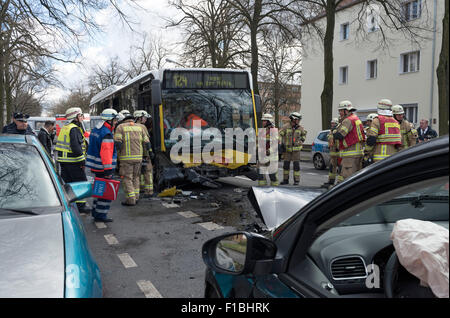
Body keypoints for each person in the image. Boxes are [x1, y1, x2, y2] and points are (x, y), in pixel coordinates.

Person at [55, 107, 90, 214]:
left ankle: (70, 203)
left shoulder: (66, 127)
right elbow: (76, 148)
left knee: (68, 183)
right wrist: (82, 162)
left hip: (64, 162)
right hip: (73, 162)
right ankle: (81, 206)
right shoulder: (74, 129)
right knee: (80, 183)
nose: (82, 117)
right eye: (80, 115)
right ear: (75, 117)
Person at [86, 109, 119, 223]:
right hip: (104, 168)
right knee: (105, 194)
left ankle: (96, 212)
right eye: (114, 120)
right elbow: (106, 154)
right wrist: (108, 171)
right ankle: (101, 215)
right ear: (109, 120)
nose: (116, 122)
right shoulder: (106, 133)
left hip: (96, 167)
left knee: (99, 191)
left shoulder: (96, 129)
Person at [114, 112, 151, 206]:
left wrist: (116, 156)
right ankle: (136, 197)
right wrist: (148, 154)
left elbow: (118, 143)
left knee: (127, 178)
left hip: (126, 158)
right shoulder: (139, 127)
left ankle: (131, 200)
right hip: (138, 158)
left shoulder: (120, 127)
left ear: (124, 120)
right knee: (136, 177)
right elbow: (147, 143)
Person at [332, 101, 365, 182]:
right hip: (358, 154)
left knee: (345, 179)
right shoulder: (356, 119)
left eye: (341, 111)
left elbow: (339, 135)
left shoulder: (348, 121)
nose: (340, 113)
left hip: (350, 155)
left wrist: (334, 131)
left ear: (346, 111)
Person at [365, 99, 402, 163]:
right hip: (393, 157)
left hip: (379, 157)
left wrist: (366, 153)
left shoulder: (377, 120)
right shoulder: (395, 122)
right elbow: (399, 142)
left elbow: (371, 140)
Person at [279, 112, 307, 185]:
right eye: (298, 119)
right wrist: (280, 142)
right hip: (287, 150)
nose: (299, 121)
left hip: (296, 151)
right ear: (293, 119)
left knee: (296, 166)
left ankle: (296, 181)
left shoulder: (300, 128)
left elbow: (304, 135)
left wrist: (302, 140)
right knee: (286, 166)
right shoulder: (286, 126)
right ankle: (285, 180)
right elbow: (280, 134)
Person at [134, 110, 154, 197]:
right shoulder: (142, 127)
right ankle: (149, 191)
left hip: (136, 154)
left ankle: (140, 188)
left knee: (138, 173)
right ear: (139, 118)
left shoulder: (132, 126)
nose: (145, 119)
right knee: (148, 172)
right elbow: (146, 142)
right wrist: (149, 153)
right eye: (144, 118)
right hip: (144, 154)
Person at [257, 114, 279, 186]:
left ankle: (275, 190)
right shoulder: (261, 131)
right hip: (262, 156)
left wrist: (269, 151)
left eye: (264, 121)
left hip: (271, 157)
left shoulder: (273, 131)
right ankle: (262, 190)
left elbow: (275, 144)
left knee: (273, 176)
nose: (263, 122)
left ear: (269, 121)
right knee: (261, 176)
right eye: (262, 121)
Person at [322, 117, 340, 188]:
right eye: (331, 123)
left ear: (337, 124)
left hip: (338, 152)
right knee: (332, 167)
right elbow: (330, 141)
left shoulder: (338, 131)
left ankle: (339, 183)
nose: (332, 124)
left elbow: (338, 141)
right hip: (332, 152)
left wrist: (338, 148)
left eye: (333, 123)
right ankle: (331, 181)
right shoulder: (331, 131)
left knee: (340, 168)